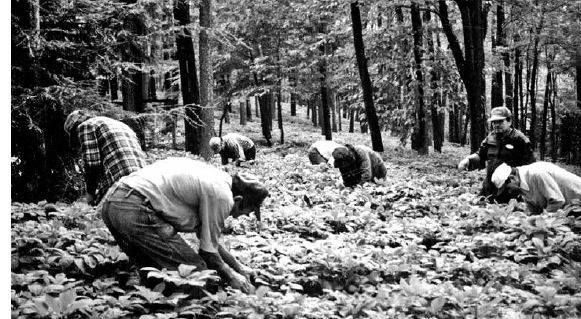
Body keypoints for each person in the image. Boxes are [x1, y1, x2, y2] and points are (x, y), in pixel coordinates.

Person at [100, 157, 269, 293]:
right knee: (201, 276)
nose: (244, 216)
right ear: (238, 200)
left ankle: (151, 303)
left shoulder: (216, 180)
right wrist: (232, 277)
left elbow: (210, 241)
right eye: (247, 211)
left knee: (154, 273)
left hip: (113, 203)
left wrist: (239, 267)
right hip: (134, 209)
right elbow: (208, 253)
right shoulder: (222, 197)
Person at [64, 110, 147, 205]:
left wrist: (90, 194)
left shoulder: (86, 126)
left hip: (121, 183)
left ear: (75, 128)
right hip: (142, 181)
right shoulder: (119, 125)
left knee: (97, 213)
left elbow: (93, 165)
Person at [457, 106, 536, 201]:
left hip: (512, 189)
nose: (496, 125)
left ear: (509, 121)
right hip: (490, 187)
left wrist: (511, 171)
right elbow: (481, 155)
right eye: (494, 122)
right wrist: (468, 160)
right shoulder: (490, 138)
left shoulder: (520, 140)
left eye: (500, 121)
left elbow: (531, 168)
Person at [492, 162, 581, 213]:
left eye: (508, 188)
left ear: (512, 178)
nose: (510, 192)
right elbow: (533, 206)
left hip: (577, 198)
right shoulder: (520, 182)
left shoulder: (537, 174)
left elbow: (557, 201)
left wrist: (542, 220)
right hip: (570, 208)